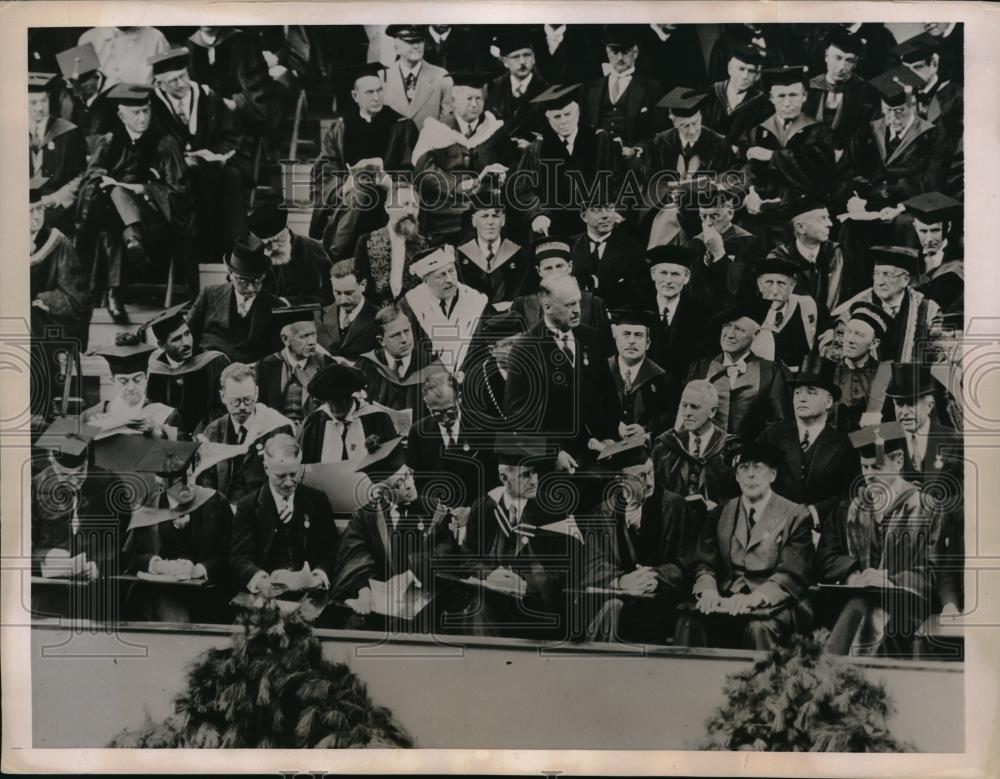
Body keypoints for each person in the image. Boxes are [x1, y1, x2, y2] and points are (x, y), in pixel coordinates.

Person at [459, 444, 607, 640]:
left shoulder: (554, 512)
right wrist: (489, 573)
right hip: (493, 602)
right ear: (504, 478)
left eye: (536, 474)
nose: (534, 481)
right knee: (478, 609)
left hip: (537, 608)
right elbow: (467, 554)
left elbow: (571, 571)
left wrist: (525, 584)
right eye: (526, 475)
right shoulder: (484, 507)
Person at [678, 441, 814, 651]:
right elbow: (704, 561)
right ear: (737, 476)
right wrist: (708, 591)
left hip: (774, 604)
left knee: (758, 628)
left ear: (772, 475)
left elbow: (792, 572)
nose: (750, 475)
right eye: (743, 467)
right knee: (689, 623)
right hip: (726, 600)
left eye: (758, 467)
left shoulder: (795, 515)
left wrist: (755, 598)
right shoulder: (721, 512)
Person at [818, 422, 941, 655]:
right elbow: (826, 555)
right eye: (864, 467)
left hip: (906, 606)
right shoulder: (848, 509)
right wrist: (853, 575)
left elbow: (935, 569)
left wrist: (888, 580)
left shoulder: (927, 508)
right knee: (857, 605)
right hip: (854, 596)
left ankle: (836, 673)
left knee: (864, 610)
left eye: (876, 466)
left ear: (898, 461)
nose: (869, 475)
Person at [76, 83, 193, 322]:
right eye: (136, 113)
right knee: (113, 202)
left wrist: (145, 188)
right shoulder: (109, 142)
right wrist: (108, 183)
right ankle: (131, 242)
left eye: (146, 111)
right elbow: (91, 180)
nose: (143, 118)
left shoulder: (165, 144)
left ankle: (114, 293)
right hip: (117, 221)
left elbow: (180, 190)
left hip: (156, 220)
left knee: (115, 207)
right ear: (121, 115)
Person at [335, 436, 457, 629]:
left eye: (408, 475)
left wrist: (412, 571)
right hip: (380, 603)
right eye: (398, 483)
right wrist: (363, 590)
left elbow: (446, 553)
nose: (409, 485)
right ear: (382, 492)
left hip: (425, 598)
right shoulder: (366, 516)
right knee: (355, 624)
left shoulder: (435, 510)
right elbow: (355, 557)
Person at [504, 274, 620, 471]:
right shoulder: (525, 349)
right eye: (569, 305)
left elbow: (608, 394)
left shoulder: (590, 337)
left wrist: (609, 436)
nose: (576, 311)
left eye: (578, 303)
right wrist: (552, 453)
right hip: (557, 462)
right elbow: (518, 416)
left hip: (598, 454)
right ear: (547, 307)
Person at [591, 438, 697, 643]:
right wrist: (620, 580)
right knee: (611, 609)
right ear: (620, 480)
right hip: (618, 600)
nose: (649, 482)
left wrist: (653, 576)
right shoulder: (603, 512)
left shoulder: (675, 506)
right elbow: (592, 563)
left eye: (651, 472)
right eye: (640, 476)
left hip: (661, 604)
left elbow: (686, 562)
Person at [308, 62, 417, 258]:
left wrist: (388, 181)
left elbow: (410, 167)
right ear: (355, 96)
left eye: (379, 91)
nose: (377, 97)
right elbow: (324, 170)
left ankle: (337, 254)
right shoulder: (340, 128)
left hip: (387, 201)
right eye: (369, 92)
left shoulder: (401, 126)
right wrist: (344, 185)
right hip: (351, 202)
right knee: (357, 194)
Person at [148, 46, 248, 261]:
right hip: (173, 176)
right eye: (172, 80)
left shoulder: (207, 96)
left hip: (210, 168)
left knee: (233, 177)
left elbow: (230, 135)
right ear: (159, 83)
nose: (181, 83)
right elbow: (150, 147)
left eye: (182, 76)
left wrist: (214, 154)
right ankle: (200, 257)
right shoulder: (152, 106)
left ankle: (235, 251)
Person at [122, 440, 233, 622]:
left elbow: (230, 552)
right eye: (179, 482)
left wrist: (200, 569)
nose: (188, 486)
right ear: (162, 484)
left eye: (190, 476)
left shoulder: (214, 502)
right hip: (159, 592)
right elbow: (129, 555)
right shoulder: (150, 505)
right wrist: (157, 564)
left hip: (205, 592)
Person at [31, 418, 130, 619]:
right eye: (64, 475)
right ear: (51, 459)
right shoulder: (35, 486)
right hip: (49, 592)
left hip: (96, 590)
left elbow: (123, 540)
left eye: (79, 474)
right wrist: (45, 559)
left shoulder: (109, 484)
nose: (73, 481)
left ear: (87, 462)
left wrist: (100, 566)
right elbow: (20, 546)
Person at [757, 354, 860, 536]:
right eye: (798, 392)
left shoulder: (845, 444)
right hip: (771, 528)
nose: (801, 398)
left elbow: (848, 493)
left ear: (828, 401)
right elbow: (757, 480)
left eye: (811, 392)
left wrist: (815, 512)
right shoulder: (772, 435)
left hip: (822, 532)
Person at [230, 434, 340, 599]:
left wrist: (318, 577)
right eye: (281, 476)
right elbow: (239, 557)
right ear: (266, 468)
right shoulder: (248, 506)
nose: (288, 483)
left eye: (294, 474)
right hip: (266, 595)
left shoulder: (317, 500)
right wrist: (260, 580)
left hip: (311, 594)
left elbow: (332, 549)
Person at [737, 65, 836, 249]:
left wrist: (773, 156)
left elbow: (820, 173)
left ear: (804, 97)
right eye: (781, 96)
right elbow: (745, 169)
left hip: (800, 209)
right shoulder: (757, 132)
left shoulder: (820, 131)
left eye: (793, 95)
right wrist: (748, 196)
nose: (788, 103)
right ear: (771, 98)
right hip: (761, 212)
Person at [411, 73, 510, 242]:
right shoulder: (436, 129)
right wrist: (458, 185)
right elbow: (425, 171)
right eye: (468, 98)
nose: (474, 104)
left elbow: (509, 162)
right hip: (447, 208)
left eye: (478, 98)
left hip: (486, 206)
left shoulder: (495, 129)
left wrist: (502, 175)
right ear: (454, 99)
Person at [512, 83, 614, 238]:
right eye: (557, 117)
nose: (563, 121)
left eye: (568, 114)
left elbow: (617, 180)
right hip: (552, 223)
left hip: (597, 223)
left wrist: (612, 211)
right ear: (548, 118)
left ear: (578, 112)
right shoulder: (536, 149)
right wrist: (538, 214)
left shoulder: (600, 140)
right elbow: (524, 190)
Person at [29, 176, 93, 419]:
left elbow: (79, 299)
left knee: (31, 324)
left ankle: (38, 408)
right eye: (29, 211)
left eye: (40, 209)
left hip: (53, 324)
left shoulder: (58, 243)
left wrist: (45, 300)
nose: (36, 217)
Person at [685, 299, 787, 441]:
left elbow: (777, 424)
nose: (729, 334)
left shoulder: (770, 373)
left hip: (749, 457)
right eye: (727, 326)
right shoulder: (700, 368)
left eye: (739, 329)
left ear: (756, 335)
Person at [196, 362, 295, 505]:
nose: (242, 407)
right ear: (223, 397)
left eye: (248, 400)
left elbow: (284, 479)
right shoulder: (213, 431)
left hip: (262, 508)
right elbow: (206, 481)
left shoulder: (277, 428)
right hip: (223, 510)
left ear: (257, 393)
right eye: (235, 401)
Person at [186, 235, 287, 364]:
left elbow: (279, 351)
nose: (250, 289)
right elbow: (189, 334)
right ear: (230, 273)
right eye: (243, 281)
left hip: (253, 372)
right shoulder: (209, 295)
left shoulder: (277, 306)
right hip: (211, 367)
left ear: (264, 275)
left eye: (257, 281)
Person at [831, 245, 941, 363]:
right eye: (876, 274)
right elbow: (837, 352)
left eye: (887, 274)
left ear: (906, 280)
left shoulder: (928, 310)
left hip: (911, 379)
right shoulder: (855, 310)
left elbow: (939, 352)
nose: (879, 282)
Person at [407, 371, 497, 510]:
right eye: (436, 413)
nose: (445, 419)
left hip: (479, 512)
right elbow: (418, 482)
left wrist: (472, 511)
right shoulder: (418, 432)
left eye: (450, 411)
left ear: (459, 398)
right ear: (427, 405)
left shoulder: (485, 427)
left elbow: (494, 481)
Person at [398, 244, 491, 375]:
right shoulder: (410, 305)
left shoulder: (476, 301)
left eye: (451, 271)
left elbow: (483, 347)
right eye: (440, 276)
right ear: (425, 280)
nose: (450, 280)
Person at [143, 302, 231, 437]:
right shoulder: (157, 369)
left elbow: (223, 408)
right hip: (168, 439)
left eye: (187, 333)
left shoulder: (213, 362)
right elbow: (154, 408)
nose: (186, 342)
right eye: (177, 339)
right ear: (161, 345)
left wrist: (202, 433)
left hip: (207, 437)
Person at [186, 26, 281, 150]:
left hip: (239, 121)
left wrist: (233, 103)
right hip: (203, 123)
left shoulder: (244, 42)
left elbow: (260, 96)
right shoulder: (189, 46)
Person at [509, 237, 613, 345]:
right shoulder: (523, 304)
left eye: (559, 266)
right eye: (548, 268)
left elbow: (604, 349)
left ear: (570, 266)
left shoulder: (592, 303)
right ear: (539, 271)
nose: (555, 273)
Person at [652, 379, 740, 505]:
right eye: (684, 405)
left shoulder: (731, 449)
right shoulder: (666, 447)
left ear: (712, 411)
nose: (687, 413)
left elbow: (739, 498)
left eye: (694, 407)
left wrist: (720, 508)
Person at [579, 25, 663, 157]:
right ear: (607, 51)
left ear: (635, 52)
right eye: (614, 52)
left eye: (625, 51)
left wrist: (635, 150)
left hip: (631, 157)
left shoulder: (651, 88)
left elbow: (659, 133)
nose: (620, 57)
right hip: (596, 156)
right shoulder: (590, 87)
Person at [766, 193, 851, 314]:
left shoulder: (836, 253)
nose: (830, 224)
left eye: (828, 217)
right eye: (822, 218)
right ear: (800, 228)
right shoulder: (778, 258)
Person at [297, 362, 397, 464]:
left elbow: (393, 461)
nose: (335, 407)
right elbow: (303, 467)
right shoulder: (314, 422)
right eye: (330, 401)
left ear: (351, 396)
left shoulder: (376, 418)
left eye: (341, 400)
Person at [355, 304, 447, 415]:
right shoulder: (366, 366)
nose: (404, 339)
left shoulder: (431, 365)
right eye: (395, 335)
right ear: (381, 341)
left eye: (407, 331)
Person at [81, 343, 182, 441]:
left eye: (137, 379)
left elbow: (183, 449)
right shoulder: (92, 415)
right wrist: (90, 432)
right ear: (113, 381)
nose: (131, 388)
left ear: (146, 379)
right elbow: (72, 451)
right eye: (123, 381)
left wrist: (158, 431)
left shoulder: (166, 415)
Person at [352, 180, 431, 305]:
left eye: (415, 206)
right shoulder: (367, 241)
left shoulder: (424, 245)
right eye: (404, 204)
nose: (410, 211)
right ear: (388, 207)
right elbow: (361, 283)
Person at [28, 72, 88, 236]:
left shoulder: (68, 133)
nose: (39, 108)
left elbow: (81, 175)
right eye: (33, 102)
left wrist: (57, 198)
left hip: (55, 208)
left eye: (43, 101)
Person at [684, 183, 757, 316]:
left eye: (714, 216)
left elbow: (742, 288)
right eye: (703, 217)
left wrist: (719, 254)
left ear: (730, 213)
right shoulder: (695, 244)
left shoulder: (748, 243)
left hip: (732, 315)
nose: (707, 223)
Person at [803, 27, 880, 151]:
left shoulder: (866, 93)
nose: (841, 67)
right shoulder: (808, 88)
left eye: (849, 60)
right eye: (837, 58)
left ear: (855, 64)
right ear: (826, 57)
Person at [254, 305, 332, 424]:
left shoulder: (325, 364)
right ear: (285, 339)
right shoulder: (266, 365)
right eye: (304, 336)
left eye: (313, 334)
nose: (312, 342)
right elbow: (260, 409)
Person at [248, 199, 334, 306]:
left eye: (277, 240)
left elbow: (328, 296)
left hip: (304, 318)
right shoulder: (252, 253)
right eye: (267, 245)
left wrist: (287, 302)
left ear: (286, 228)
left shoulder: (313, 251)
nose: (273, 248)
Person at [643, 244, 708, 384]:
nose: (668, 280)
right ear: (653, 274)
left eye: (675, 274)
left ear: (686, 278)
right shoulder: (638, 309)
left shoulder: (700, 315)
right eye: (663, 273)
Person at [608, 309, 675, 440]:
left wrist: (646, 429)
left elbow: (670, 416)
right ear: (616, 339)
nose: (631, 341)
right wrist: (611, 424)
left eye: (638, 335)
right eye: (626, 334)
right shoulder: (601, 370)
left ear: (648, 343)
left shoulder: (661, 378)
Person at [569, 198, 646, 311]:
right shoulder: (570, 246)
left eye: (609, 209)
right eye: (597, 210)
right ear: (584, 216)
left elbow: (639, 295)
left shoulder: (631, 249)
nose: (605, 216)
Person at [485, 29, 550, 160]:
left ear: (534, 58)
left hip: (532, 159)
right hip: (497, 157)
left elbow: (551, 132)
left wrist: (534, 146)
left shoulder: (547, 91)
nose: (522, 61)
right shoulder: (493, 88)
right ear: (504, 62)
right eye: (515, 57)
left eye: (527, 55)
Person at [644, 88, 735, 181]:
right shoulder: (660, 142)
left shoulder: (720, 144)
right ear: (674, 122)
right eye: (685, 125)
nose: (692, 131)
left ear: (701, 116)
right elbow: (650, 180)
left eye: (695, 123)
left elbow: (728, 181)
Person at [454, 195, 527, 308]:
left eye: (495, 216)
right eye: (484, 216)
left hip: (510, 319)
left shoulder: (520, 256)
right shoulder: (459, 256)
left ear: (503, 220)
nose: (490, 222)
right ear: (474, 221)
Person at [830, 301, 893, 432]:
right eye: (849, 332)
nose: (850, 340)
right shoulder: (828, 372)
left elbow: (897, 428)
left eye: (859, 335)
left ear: (874, 344)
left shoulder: (886, 375)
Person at [753, 256, 820, 372]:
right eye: (769, 282)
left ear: (792, 285)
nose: (775, 291)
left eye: (781, 283)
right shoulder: (748, 314)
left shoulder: (807, 307)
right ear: (759, 284)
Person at [381, 25, 454, 128]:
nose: (416, 46)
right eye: (409, 42)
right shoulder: (382, 77)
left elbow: (448, 121)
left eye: (420, 41)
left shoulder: (441, 76)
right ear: (396, 48)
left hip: (430, 142)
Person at [903, 191, 963, 317]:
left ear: (948, 227)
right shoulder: (907, 256)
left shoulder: (959, 257)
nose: (929, 238)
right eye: (923, 231)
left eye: (935, 230)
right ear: (915, 227)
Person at [896, 38, 963, 143]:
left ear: (934, 64)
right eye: (906, 70)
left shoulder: (957, 97)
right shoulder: (907, 96)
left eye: (917, 67)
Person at [699, 42, 768, 143]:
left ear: (757, 76)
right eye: (741, 69)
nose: (745, 76)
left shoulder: (763, 105)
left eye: (751, 71)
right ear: (730, 68)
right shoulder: (709, 95)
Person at [54, 43, 116, 148]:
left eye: (84, 87)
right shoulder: (63, 90)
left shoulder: (114, 93)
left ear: (96, 77)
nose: (76, 92)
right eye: (73, 85)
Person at [313, 259, 378, 359]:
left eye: (349, 293)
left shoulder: (379, 317)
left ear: (363, 285)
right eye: (337, 293)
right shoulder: (319, 316)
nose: (343, 300)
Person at [78, 25, 168, 86]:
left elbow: (166, 81)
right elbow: (84, 87)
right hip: (101, 108)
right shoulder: (89, 39)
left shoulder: (155, 37)